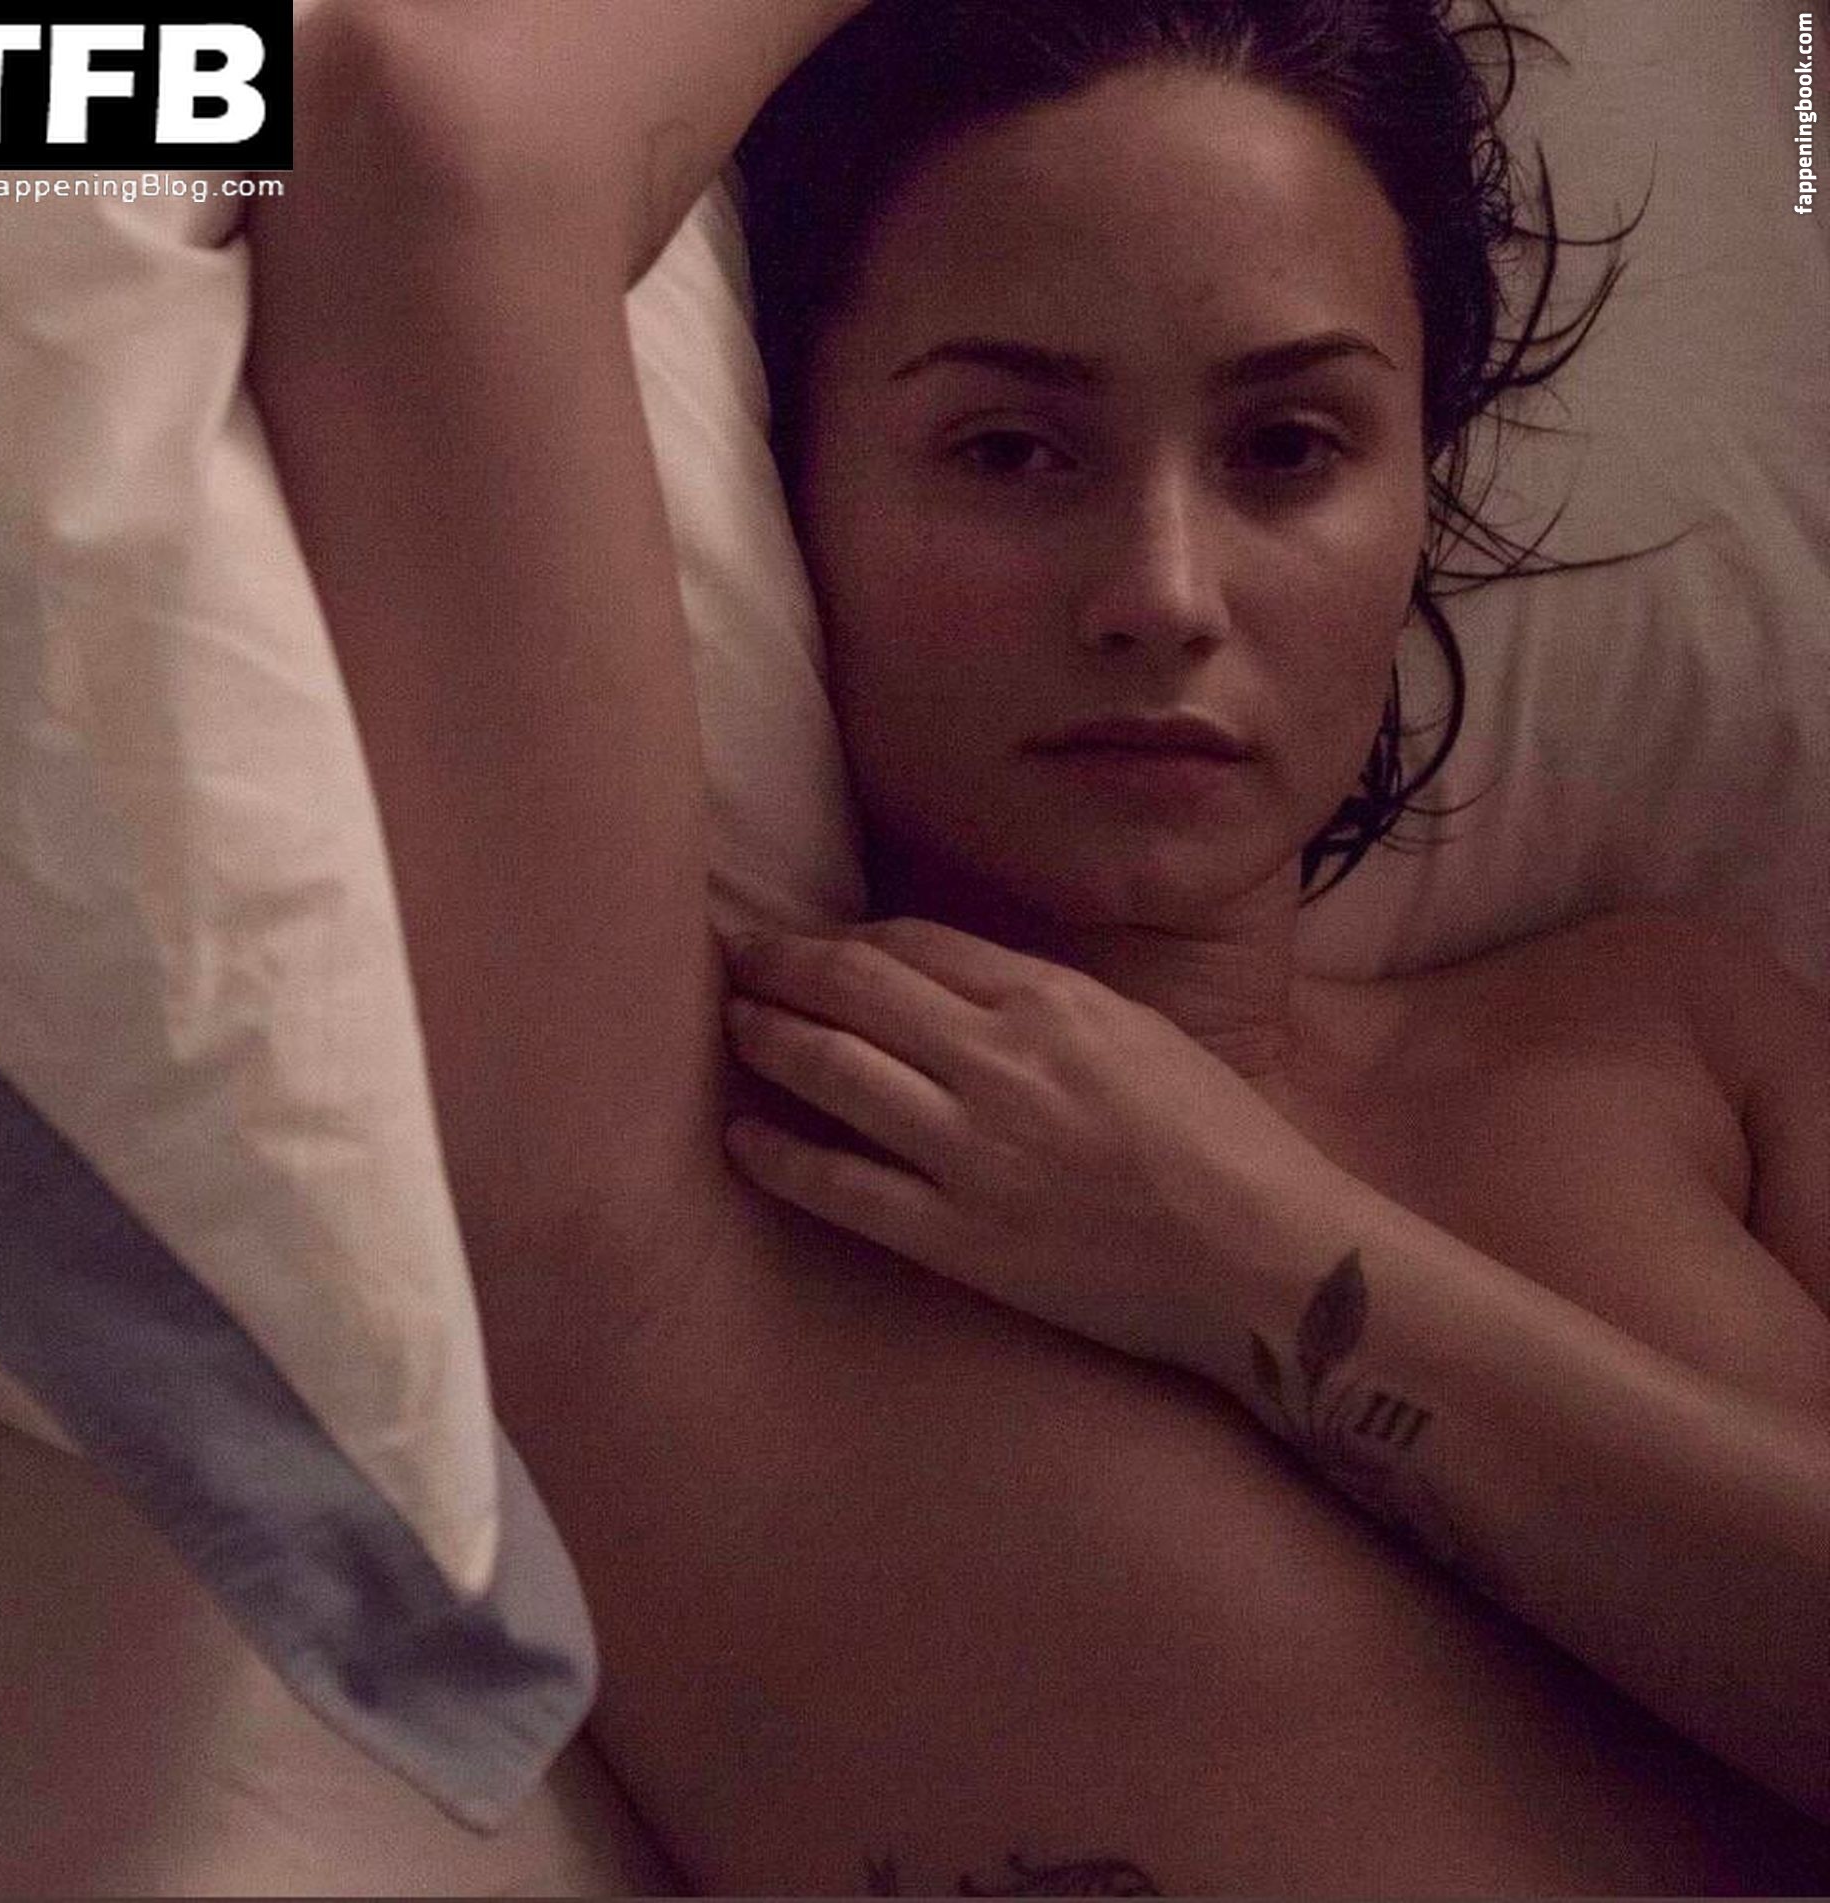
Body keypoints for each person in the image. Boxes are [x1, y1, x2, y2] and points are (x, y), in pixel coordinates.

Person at [247, 0, 1830, 1891]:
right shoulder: (677, 1198)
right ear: (801, 476)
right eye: (1008, 451)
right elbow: (417, 141)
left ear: (1423, 489)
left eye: (1288, 446)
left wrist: (1232, 1243)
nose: (1161, 592)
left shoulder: (1677, 1042)